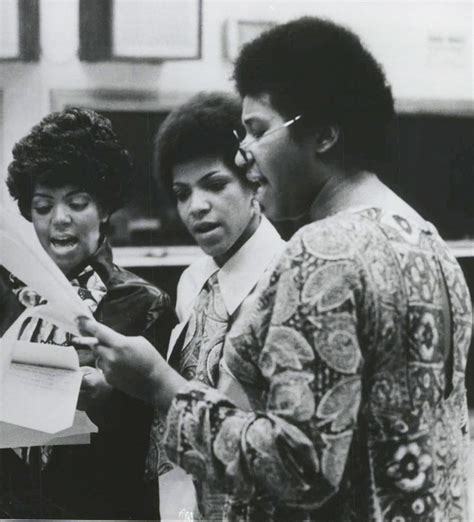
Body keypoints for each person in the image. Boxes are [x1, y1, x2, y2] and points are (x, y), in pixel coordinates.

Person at [77, 17, 472, 522]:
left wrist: (159, 384)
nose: (245, 151)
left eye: (259, 130)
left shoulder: (321, 253)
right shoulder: (426, 238)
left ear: (324, 135)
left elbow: (296, 466)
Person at [0, 107, 176, 519]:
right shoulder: (6, 296)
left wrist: (116, 395)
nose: (59, 219)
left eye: (77, 203)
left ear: (105, 208)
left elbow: (164, 436)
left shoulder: (145, 303)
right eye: (43, 206)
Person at [154, 92, 286, 519]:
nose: (197, 206)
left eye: (214, 184)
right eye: (182, 192)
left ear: (254, 182)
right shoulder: (193, 281)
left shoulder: (288, 279)